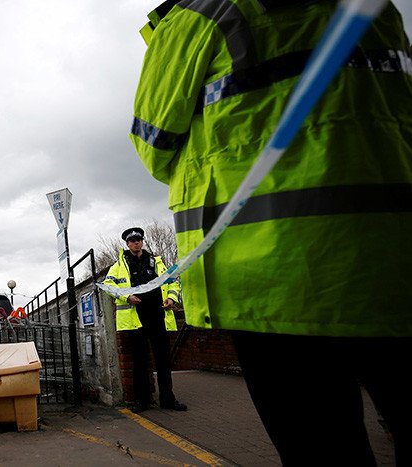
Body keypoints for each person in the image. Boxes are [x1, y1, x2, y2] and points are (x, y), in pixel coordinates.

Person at [129, 1, 410, 464]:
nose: (137, 244)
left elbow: (153, 145)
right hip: (391, 254)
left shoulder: (198, 17)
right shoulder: (379, 9)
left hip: (277, 278)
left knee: (324, 448)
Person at [104, 227, 185, 413]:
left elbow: (173, 282)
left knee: (163, 360)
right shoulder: (119, 265)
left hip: (159, 315)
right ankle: (141, 401)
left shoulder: (156, 262)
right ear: (127, 244)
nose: (136, 243)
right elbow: (108, 285)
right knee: (139, 361)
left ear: (142, 241)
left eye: (138, 240)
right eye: (132, 241)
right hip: (136, 318)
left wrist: (171, 298)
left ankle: (168, 398)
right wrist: (127, 297)